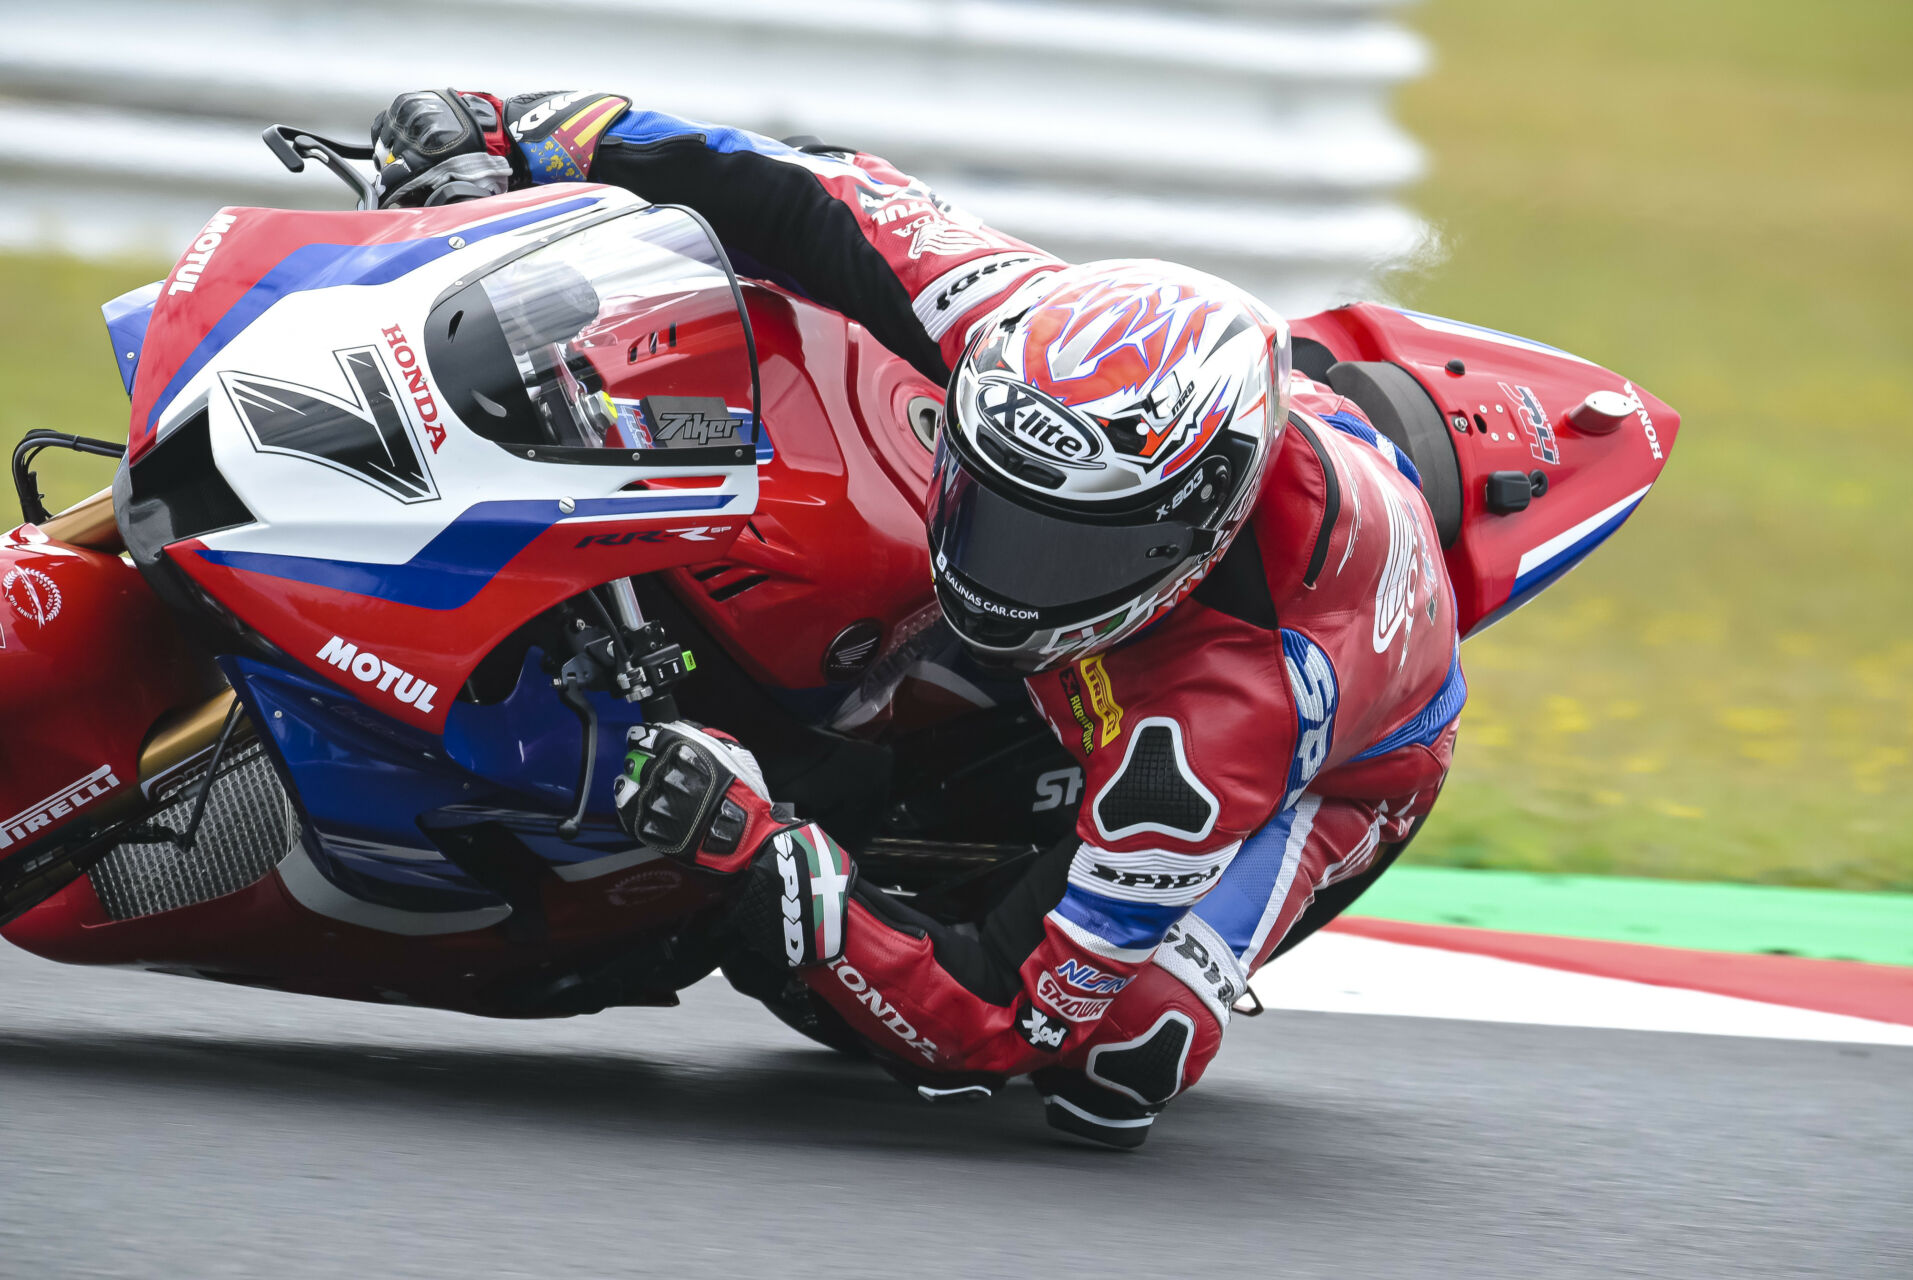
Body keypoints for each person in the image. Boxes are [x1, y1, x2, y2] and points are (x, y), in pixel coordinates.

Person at [372, 90, 1464, 1147]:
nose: (1007, 571)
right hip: (1229, 515)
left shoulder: (1225, 722)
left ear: (1193, 532)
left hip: (1345, 763)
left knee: (1116, 1056)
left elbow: (1005, 1020)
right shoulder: (1016, 322)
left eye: (1064, 542)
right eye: (995, 501)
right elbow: (809, 187)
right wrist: (511, 128)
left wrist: (758, 850)